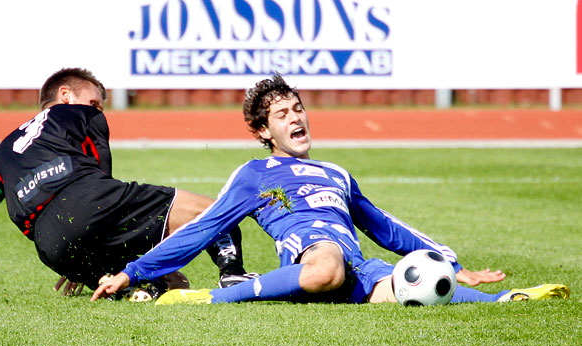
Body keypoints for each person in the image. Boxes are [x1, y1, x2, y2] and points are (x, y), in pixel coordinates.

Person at [92, 73, 569, 305]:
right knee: (326, 266)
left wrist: (454, 265)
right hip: (312, 255)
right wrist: (132, 273)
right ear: (262, 131)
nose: (296, 117)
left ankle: (508, 301)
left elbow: (386, 227)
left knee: (414, 285)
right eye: (282, 114)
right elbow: (203, 228)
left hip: (357, 265)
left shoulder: (337, 173)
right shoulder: (255, 175)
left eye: (298, 108)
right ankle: (204, 299)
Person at [0, 68, 256, 300]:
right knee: (213, 210)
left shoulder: (2, 152)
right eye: (95, 101)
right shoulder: (77, 113)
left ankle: (137, 289)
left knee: (174, 284)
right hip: (88, 202)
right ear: (66, 95)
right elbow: (101, 177)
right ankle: (232, 273)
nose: (99, 110)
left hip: (52, 249)